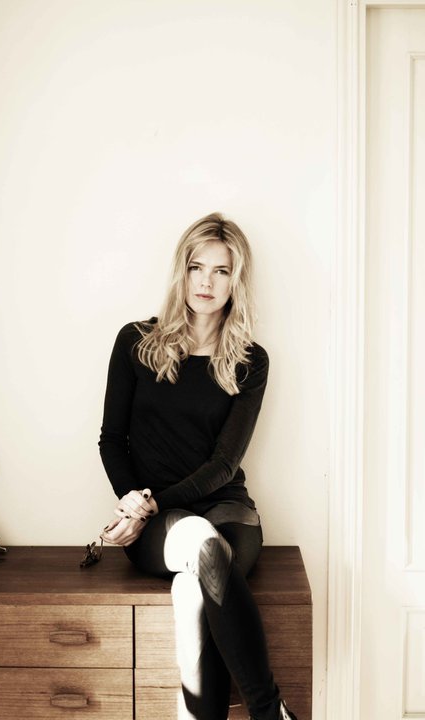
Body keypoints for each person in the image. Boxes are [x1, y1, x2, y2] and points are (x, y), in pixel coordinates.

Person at [98, 213, 298, 720]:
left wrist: (150, 503)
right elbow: (112, 440)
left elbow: (224, 464)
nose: (206, 282)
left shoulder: (250, 361)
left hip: (226, 509)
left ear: (236, 281)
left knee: (193, 586)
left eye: (221, 271)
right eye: (196, 267)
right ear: (181, 271)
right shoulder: (136, 342)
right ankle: (270, 711)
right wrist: (135, 503)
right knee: (197, 544)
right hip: (159, 523)